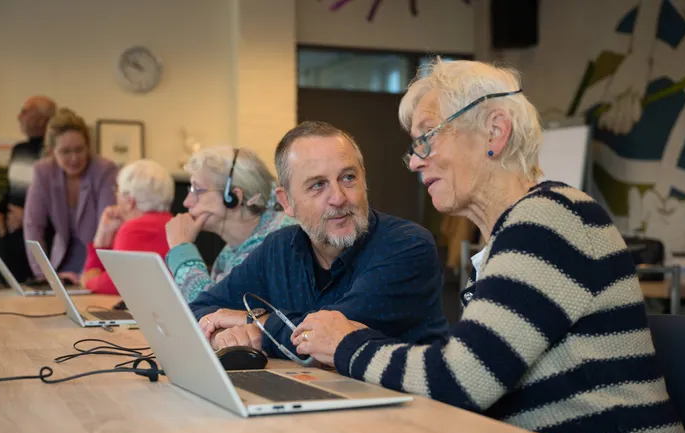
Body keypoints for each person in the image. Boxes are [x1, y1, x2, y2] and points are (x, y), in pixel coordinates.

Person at [290, 61, 685, 433]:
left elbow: (461, 380)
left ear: (495, 132)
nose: (416, 161)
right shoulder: (510, 238)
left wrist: (346, 344)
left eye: (427, 138)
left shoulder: (549, 220)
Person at [190, 121, 449, 360]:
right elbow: (199, 309)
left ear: (364, 181)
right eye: (317, 185)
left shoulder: (408, 246)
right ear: (286, 202)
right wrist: (221, 335)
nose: (338, 198)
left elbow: (326, 339)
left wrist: (253, 322)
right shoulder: (278, 248)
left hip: (398, 395)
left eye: (348, 178)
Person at [165, 146, 295, 303]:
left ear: (233, 196)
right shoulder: (233, 249)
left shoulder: (273, 241)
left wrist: (181, 248)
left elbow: (211, 306)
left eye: (197, 190)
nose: (187, 202)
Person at [23, 108, 117, 283]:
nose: (74, 158)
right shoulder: (43, 172)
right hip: (62, 262)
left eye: (79, 150)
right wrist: (45, 277)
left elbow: (107, 228)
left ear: (88, 147)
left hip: (97, 262)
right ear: (51, 151)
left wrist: (87, 275)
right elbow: (33, 227)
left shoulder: (104, 170)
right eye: (65, 152)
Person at [81, 159, 175, 294]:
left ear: (129, 201)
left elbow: (113, 283)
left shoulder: (133, 229)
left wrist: (99, 243)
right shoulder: (173, 223)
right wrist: (104, 237)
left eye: (117, 191)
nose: (115, 197)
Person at [0, 96, 56, 282]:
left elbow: (58, 198)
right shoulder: (19, 149)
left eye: (25, 111)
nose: (19, 116)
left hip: (41, 236)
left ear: (42, 119)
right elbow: (13, 188)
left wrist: (28, 216)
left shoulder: (55, 152)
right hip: (12, 236)